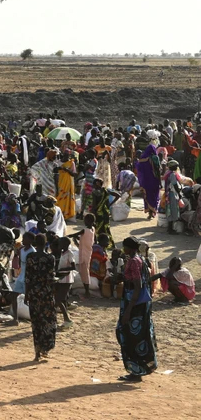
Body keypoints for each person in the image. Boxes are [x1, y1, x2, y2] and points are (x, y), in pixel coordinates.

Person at [115, 237, 157, 382]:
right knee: (138, 336)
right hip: (139, 305)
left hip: (134, 305)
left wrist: (128, 310)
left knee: (129, 334)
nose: (123, 250)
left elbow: (137, 285)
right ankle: (138, 369)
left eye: (124, 247)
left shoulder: (134, 261)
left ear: (130, 248)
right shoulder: (140, 259)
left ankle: (136, 371)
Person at [25, 233, 57, 361]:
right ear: (46, 243)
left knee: (36, 322)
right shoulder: (50, 258)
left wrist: (27, 294)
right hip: (46, 293)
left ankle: (37, 353)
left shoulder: (30, 257)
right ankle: (46, 348)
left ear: (34, 243)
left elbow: (27, 277)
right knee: (48, 321)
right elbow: (51, 277)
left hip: (34, 293)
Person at [71, 213, 95, 298]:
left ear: (90, 221)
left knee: (85, 273)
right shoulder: (92, 229)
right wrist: (77, 239)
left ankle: (87, 292)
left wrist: (68, 236)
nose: (84, 222)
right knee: (84, 272)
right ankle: (86, 290)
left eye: (85, 220)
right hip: (87, 253)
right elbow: (86, 239)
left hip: (84, 254)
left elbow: (75, 234)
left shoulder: (84, 230)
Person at [136, 142, 161, 219]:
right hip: (154, 180)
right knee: (154, 195)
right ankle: (153, 211)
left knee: (147, 196)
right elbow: (158, 170)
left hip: (145, 181)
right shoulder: (155, 158)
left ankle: (150, 212)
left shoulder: (142, 159)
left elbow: (138, 170)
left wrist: (141, 181)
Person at [55, 237, 75, 329]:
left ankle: (67, 319)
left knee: (59, 299)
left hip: (67, 279)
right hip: (61, 278)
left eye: (60, 243)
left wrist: (62, 269)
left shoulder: (69, 253)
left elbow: (73, 267)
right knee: (57, 299)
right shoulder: (62, 253)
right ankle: (57, 320)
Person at [55, 151, 77, 220]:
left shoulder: (71, 163)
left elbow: (74, 174)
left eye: (67, 155)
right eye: (65, 155)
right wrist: (58, 168)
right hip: (59, 182)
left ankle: (66, 215)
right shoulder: (58, 162)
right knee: (59, 197)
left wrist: (67, 170)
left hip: (68, 184)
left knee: (67, 198)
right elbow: (54, 171)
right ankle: (59, 215)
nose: (66, 157)